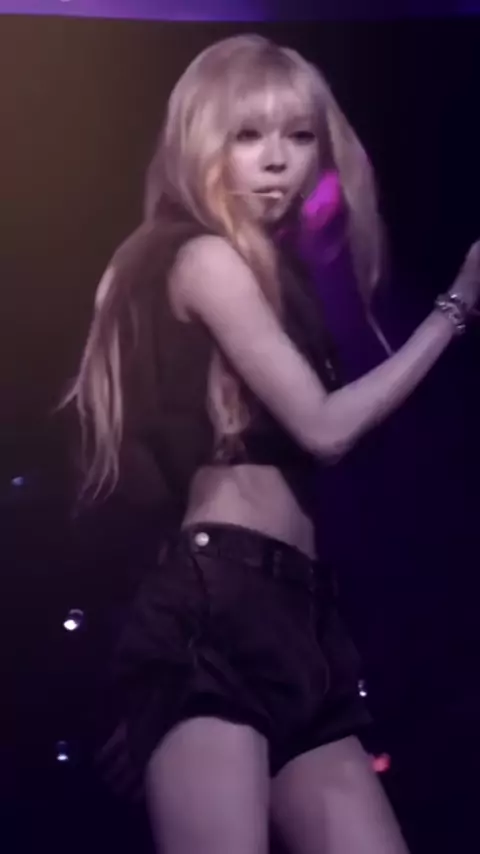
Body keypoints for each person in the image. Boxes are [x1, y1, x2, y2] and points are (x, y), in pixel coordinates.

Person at [65, 34, 480, 854]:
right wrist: (458, 306)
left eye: (299, 136)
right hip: (216, 603)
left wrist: (331, 270)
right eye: (247, 135)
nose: (278, 162)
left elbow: (372, 417)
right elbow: (327, 429)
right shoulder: (199, 256)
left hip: (299, 613)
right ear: (201, 141)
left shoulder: (269, 274)